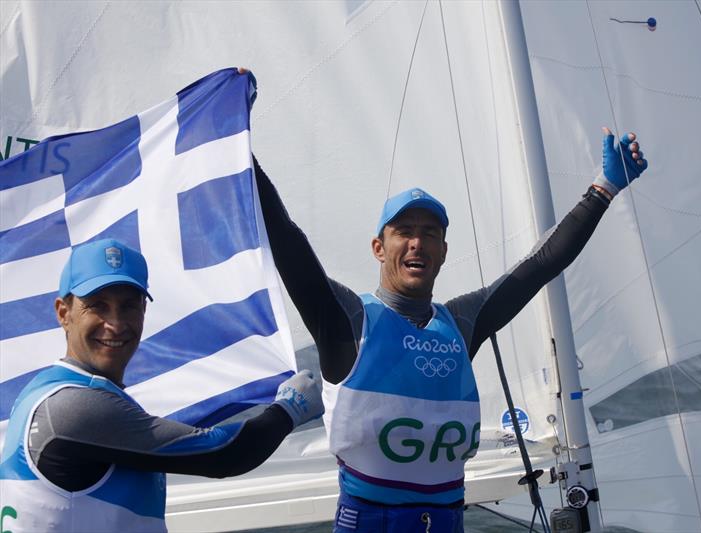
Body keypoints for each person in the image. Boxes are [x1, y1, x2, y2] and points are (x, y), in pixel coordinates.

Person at [253, 128, 648, 533]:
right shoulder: (348, 319)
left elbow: (542, 262)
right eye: (403, 231)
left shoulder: (462, 323)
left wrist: (605, 188)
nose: (417, 243)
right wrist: (240, 154)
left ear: (443, 250)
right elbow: (287, 241)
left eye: (430, 233)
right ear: (378, 247)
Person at [0, 238, 323, 532]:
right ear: (63, 312)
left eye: (128, 305)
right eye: (97, 305)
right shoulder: (74, 407)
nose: (115, 324)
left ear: (143, 310)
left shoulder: (45, 390)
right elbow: (225, 454)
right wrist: (289, 409)